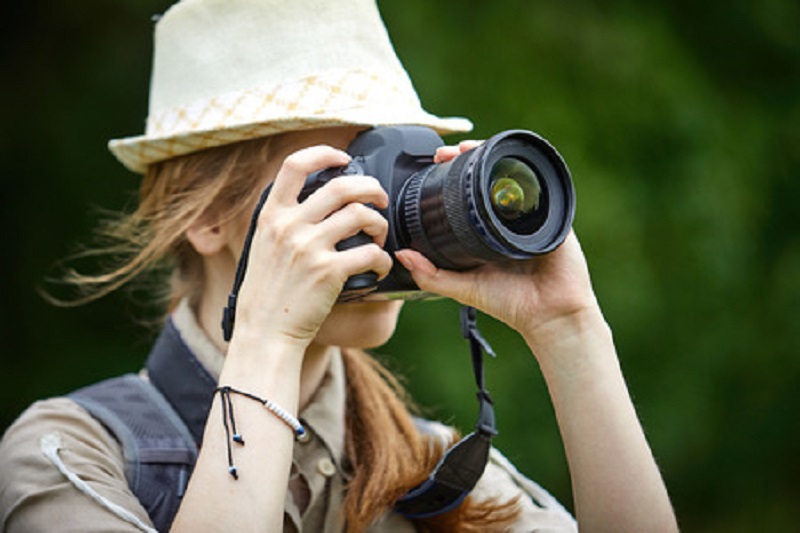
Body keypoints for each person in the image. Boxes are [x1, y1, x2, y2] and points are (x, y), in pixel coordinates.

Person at [0, 0, 678, 531]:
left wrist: (571, 330)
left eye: (402, 169)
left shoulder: (429, 472)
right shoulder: (71, 454)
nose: (381, 212)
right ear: (200, 213)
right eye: (348, 176)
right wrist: (265, 338)